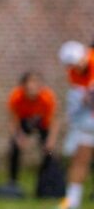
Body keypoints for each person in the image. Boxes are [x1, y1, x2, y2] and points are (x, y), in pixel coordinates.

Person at [0, 72, 59, 197]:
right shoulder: (16, 96)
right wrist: (18, 137)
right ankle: (13, 182)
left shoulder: (47, 97)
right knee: (14, 147)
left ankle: (47, 182)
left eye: (35, 84)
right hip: (24, 122)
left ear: (40, 86)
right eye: (29, 84)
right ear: (23, 86)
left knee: (49, 151)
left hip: (42, 123)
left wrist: (51, 141)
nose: (32, 87)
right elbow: (12, 120)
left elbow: (54, 121)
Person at [58, 40, 94, 209]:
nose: (77, 67)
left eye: (78, 62)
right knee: (80, 157)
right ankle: (72, 201)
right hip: (88, 120)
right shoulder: (73, 74)